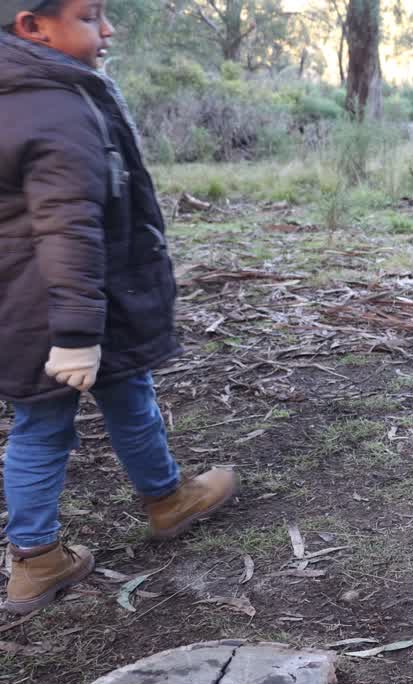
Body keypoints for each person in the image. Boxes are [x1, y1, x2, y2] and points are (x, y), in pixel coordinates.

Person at [0, 0, 237, 614]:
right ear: (33, 25)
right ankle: (40, 554)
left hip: (22, 303)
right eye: (88, 16)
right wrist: (77, 333)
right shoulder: (50, 106)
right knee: (49, 423)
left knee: (118, 391)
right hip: (65, 307)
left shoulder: (27, 93)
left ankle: (160, 500)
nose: (108, 29)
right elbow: (69, 228)